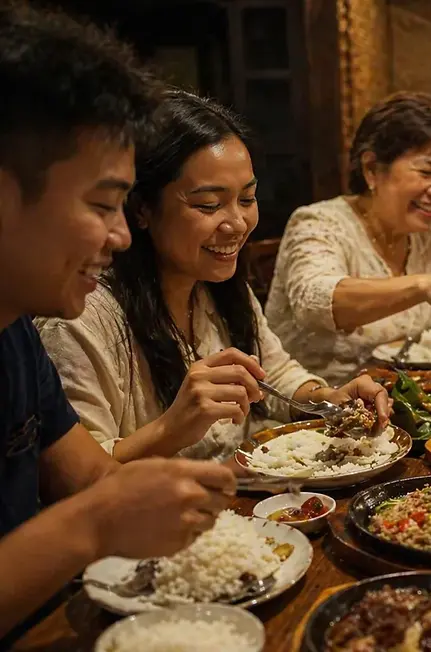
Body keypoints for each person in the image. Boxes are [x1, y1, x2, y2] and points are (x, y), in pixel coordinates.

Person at [0, 3, 237, 641]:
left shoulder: (14, 329)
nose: (120, 235)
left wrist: (207, 484)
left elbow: (88, 476)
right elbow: (93, 509)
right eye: (103, 203)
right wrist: (96, 523)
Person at [37, 90, 390, 462]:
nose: (237, 224)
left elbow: (274, 375)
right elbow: (75, 481)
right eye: (209, 205)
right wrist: (171, 428)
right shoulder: (80, 319)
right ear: (141, 209)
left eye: (248, 198)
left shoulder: (214, 282)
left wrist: (326, 400)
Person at [265, 92, 431, 383]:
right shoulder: (318, 223)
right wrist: (422, 285)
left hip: (401, 407)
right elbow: (316, 305)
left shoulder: (428, 238)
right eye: (426, 171)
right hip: (314, 412)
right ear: (371, 169)